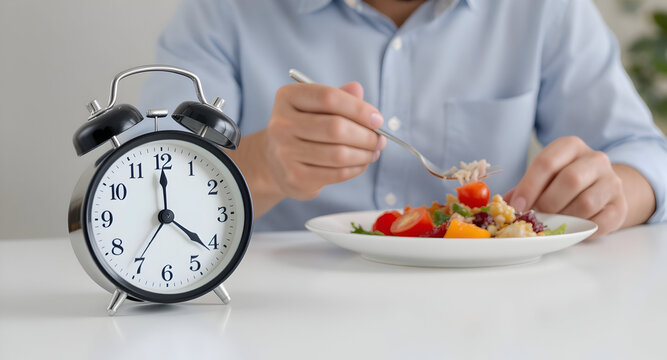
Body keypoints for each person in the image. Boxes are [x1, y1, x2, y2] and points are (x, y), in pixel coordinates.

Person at [140, 0, 667, 236]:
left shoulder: (544, 7)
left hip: (489, 324)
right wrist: (258, 167)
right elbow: (141, 190)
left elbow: (642, 154)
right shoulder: (223, 9)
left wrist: (612, 191)